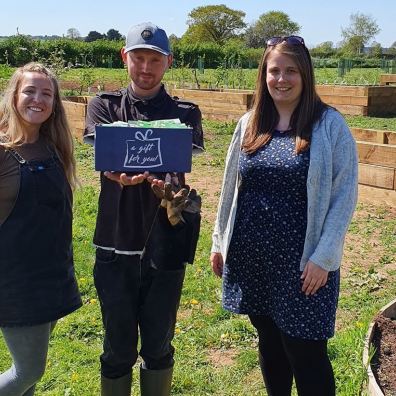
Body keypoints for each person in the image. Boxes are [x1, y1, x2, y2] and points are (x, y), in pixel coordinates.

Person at [210, 36, 358, 396]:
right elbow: (231, 185)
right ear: (263, 75)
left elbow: (344, 195)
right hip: (253, 258)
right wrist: (219, 242)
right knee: (270, 344)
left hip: (304, 265)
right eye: (274, 70)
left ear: (305, 74)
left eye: (290, 71)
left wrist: (324, 257)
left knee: (307, 354)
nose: (281, 79)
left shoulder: (329, 125)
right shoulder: (250, 122)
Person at [84, 22, 203, 396]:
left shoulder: (185, 113)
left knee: (158, 344)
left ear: (167, 62)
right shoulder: (103, 105)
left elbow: (180, 168)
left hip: (164, 244)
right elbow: (106, 157)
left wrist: (170, 190)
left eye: (155, 59)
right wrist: (116, 174)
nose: (146, 68)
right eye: (139, 58)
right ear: (125, 58)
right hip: (115, 240)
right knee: (117, 347)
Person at [0, 62, 82, 395]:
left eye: (46, 94)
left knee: (28, 377)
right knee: (28, 370)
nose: (38, 99)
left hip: (52, 273)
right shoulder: (3, 152)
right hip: (15, 280)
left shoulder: (53, 147)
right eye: (29, 91)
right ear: (14, 96)